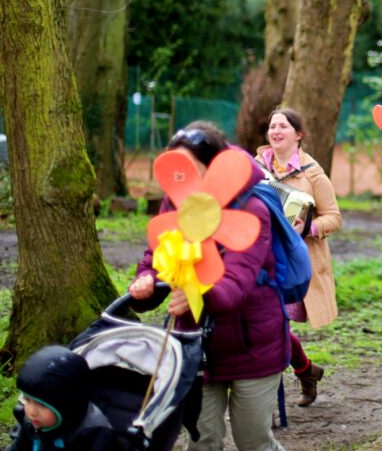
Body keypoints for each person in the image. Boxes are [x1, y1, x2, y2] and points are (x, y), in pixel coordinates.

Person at [129, 121, 288, 451]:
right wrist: (145, 284)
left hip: (253, 347)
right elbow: (158, 255)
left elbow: (235, 284)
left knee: (254, 443)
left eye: (191, 168)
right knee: (202, 443)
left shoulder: (252, 211)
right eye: (176, 168)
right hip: (195, 347)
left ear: (215, 166)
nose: (182, 177)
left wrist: (197, 292)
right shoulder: (175, 202)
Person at [256, 108, 343, 407]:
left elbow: (334, 217)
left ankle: (266, 400)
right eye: (272, 126)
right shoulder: (255, 167)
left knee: (276, 324)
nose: (275, 131)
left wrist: (308, 227)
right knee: (272, 324)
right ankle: (306, 370)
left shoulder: (313, 174)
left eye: (282, 126)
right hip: (258, 259)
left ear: (298, 134)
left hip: (293, 263)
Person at [5, 345, 114, 451]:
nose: (31, 412)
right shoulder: (31, 421)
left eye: (42, 405)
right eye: (27, 400)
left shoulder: (92, 433)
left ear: (67, 406)